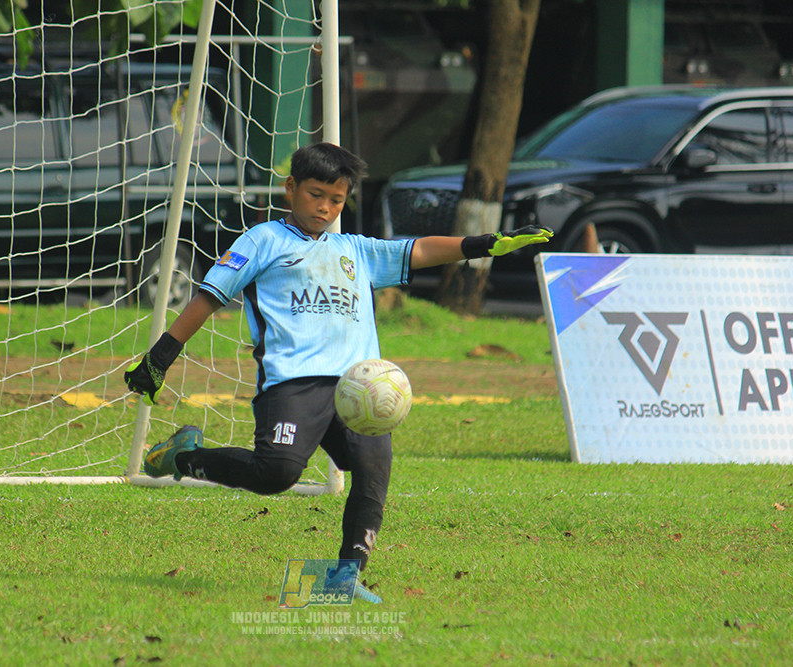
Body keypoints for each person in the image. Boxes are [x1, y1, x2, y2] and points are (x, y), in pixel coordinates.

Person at [125, 142, 552, 603]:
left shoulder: (355, 250)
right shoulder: (263, 240)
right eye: (315, 195)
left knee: (372, 473)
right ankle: (184, 455)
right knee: (277, 474)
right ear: (290, 188)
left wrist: (483, 244)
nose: (325, 207)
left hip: (359, 387)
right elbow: (208, 297)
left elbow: (421, 249)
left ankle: (343, 579)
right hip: (293, 382)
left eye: (337, 198)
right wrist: (160, 358)